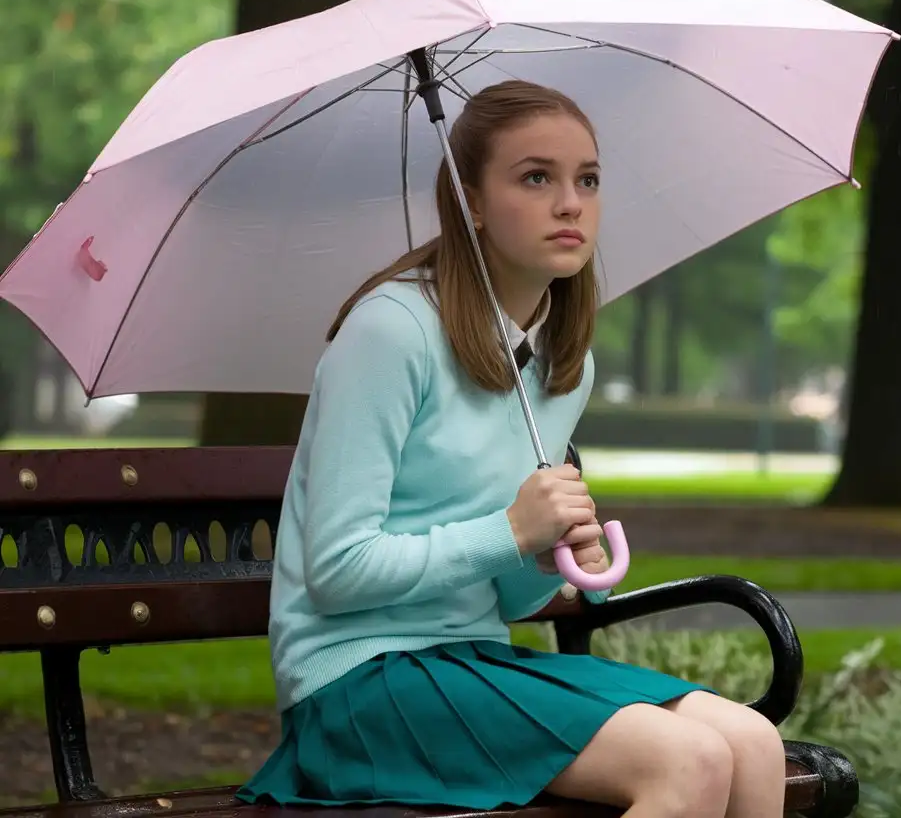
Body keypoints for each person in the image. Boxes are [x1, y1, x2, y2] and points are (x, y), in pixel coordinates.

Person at [238, 80, 786, 818]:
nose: (571, 203)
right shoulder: (391, 333)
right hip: (355, 683)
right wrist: (511, 530)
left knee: (752, 743)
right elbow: (336, 572)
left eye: (587, 180)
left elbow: (506, 595)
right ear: (470, 201)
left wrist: (547, 556)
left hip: (470, 660)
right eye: (537, 177)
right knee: (686, 762)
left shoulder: (564, 364)